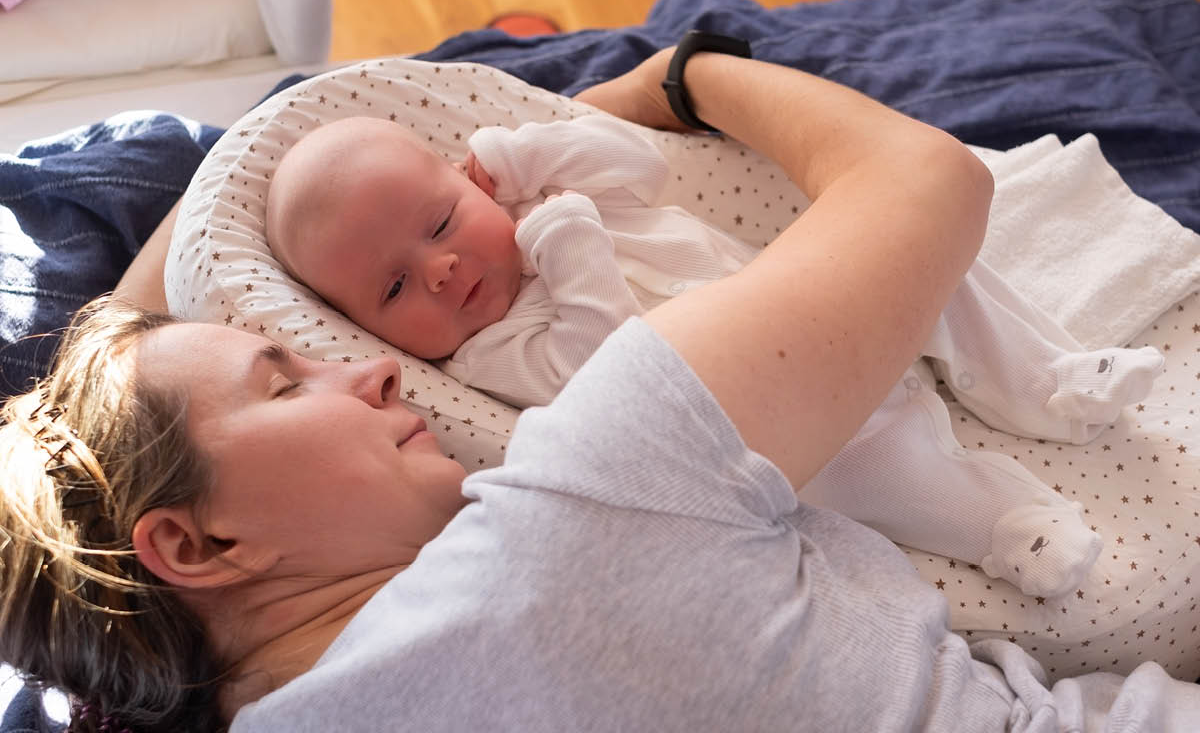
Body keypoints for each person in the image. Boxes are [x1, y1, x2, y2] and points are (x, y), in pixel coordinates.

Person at [3, 48, 1199, 733]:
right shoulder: (581, 507)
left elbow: (139, 303)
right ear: (193, 542)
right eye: (285, 375)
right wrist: (682, 77)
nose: (364, 364)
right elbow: (925, 183)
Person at [263, 108, 1163, 598]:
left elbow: (644, 165)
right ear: (375, 334)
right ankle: (1005, 527)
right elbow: (612, 366)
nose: (443, 268)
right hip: (803, 427)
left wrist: (525, 152)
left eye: (441, 221)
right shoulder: (491, 351)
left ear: (469, 181)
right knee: (881, 478)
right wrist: (565, 241)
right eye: (392, 289)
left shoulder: (547, 193)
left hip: (812, 305)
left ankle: (1044, 382)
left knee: (928, 263)